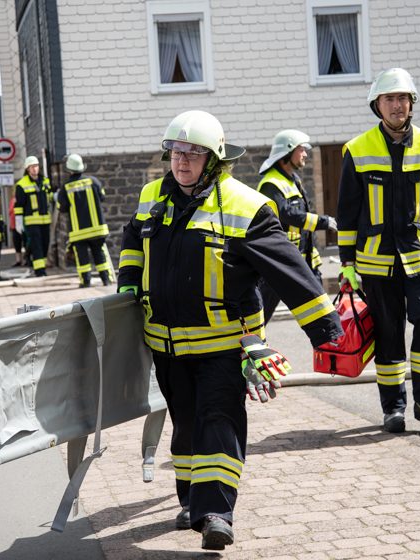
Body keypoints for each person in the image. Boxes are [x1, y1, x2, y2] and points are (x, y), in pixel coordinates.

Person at [118, 110, 342, 551]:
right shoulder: (151, 197)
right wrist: (128, 290)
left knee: (218, 422)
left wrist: (326, 330)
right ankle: (190, 502)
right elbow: (132, 242)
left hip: (224, 345)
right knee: (184, 428)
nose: (182, 162)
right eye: (177, 152)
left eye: (193, 153)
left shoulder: (247, 206)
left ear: (215, 158)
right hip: (166, 347)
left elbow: (289, 270)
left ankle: (217, 513)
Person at [336, 68, 420, 435]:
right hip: (375, 263)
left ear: (411, 104)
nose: (397, 105)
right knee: (388, 336)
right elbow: (347, 212)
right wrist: (346, 263)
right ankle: (393, 409)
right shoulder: (356, 150)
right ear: (377, 105)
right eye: (390, 99)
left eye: (403, 99)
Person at [256, 130, 337, 321]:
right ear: (288, 152)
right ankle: (249, 345)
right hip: (279, 261)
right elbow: (288, 214)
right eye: (301, 149)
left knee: (321, 312)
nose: (306, 154)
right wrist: (323, 222)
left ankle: (329, 346)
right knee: (260, 313)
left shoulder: (293, 180)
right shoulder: (271, 184)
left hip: (303, 259)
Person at [57, 153, 113, 287]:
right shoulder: (94, 181)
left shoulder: (65, 187)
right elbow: (102, 197)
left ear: (69, 169)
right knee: (99, 254)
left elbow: (62, 208)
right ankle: (106, 280)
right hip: (97, 229)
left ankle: (86, 282)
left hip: (79, 232)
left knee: (82, 258)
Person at [14, 156, 52, 277]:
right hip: (31, 221)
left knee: (45, 244)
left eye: (36, 166)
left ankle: (41, 267)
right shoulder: (21, 184)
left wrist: (55, 195)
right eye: (32, 167)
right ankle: (39, 271)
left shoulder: (45, 181)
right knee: (37, 245)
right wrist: (18, 221)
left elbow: (49, 196)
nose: (35, 169)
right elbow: (19, 205)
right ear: (27, 169)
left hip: (45, 220)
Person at [8, 195, 25, 267]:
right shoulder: (12, 200)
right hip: (14, 225)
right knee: (16, 243)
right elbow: (10, 212)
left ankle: (26, 259)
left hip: (22, 224)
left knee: (24, 242)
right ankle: (18, 260)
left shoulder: (22, 199)